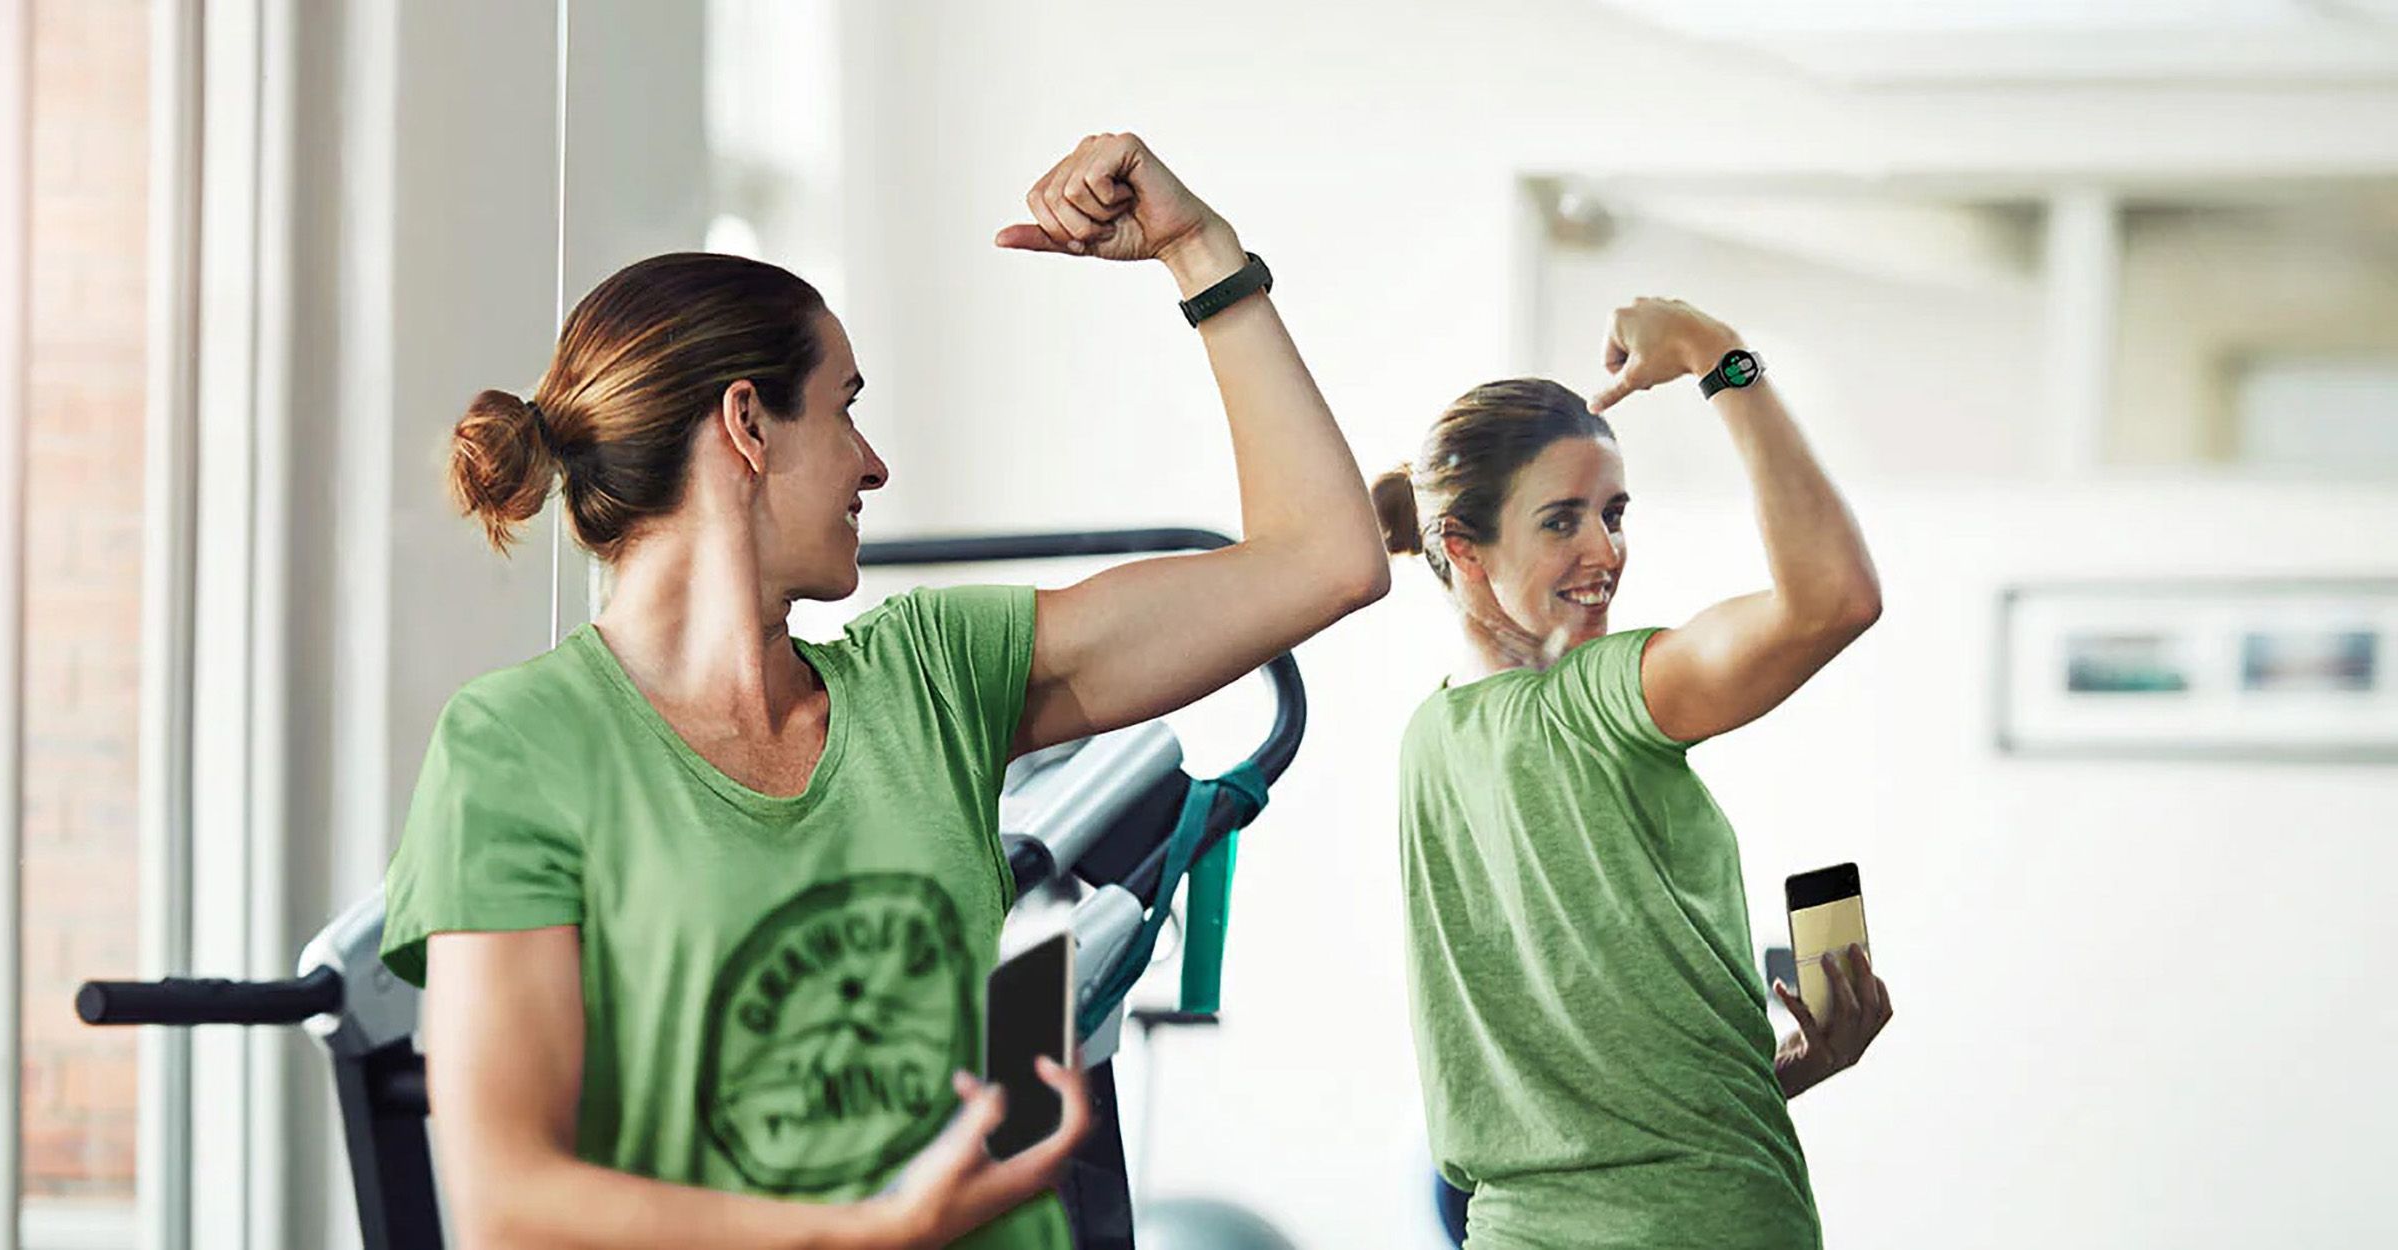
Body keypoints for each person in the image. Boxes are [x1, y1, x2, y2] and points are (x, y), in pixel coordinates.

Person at [380, 132, 1388, 1250]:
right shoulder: (518, 745)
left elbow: (1326, 559)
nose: (872, 463)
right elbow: (509, 1201)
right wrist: (866, 1232)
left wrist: (1198, 252)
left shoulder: (935, 674)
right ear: (747, 423)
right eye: (844, 406)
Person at [1375, 298, 1894, 1248]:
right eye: (1561, 521)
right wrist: (1717, 353)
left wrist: (1775, 1073)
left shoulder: (1428, 743)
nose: (1605, 551)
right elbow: (1835, 600)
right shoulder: (1606, 697)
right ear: (1463, 547)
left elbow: (1582, 1111)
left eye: (1613, 514)